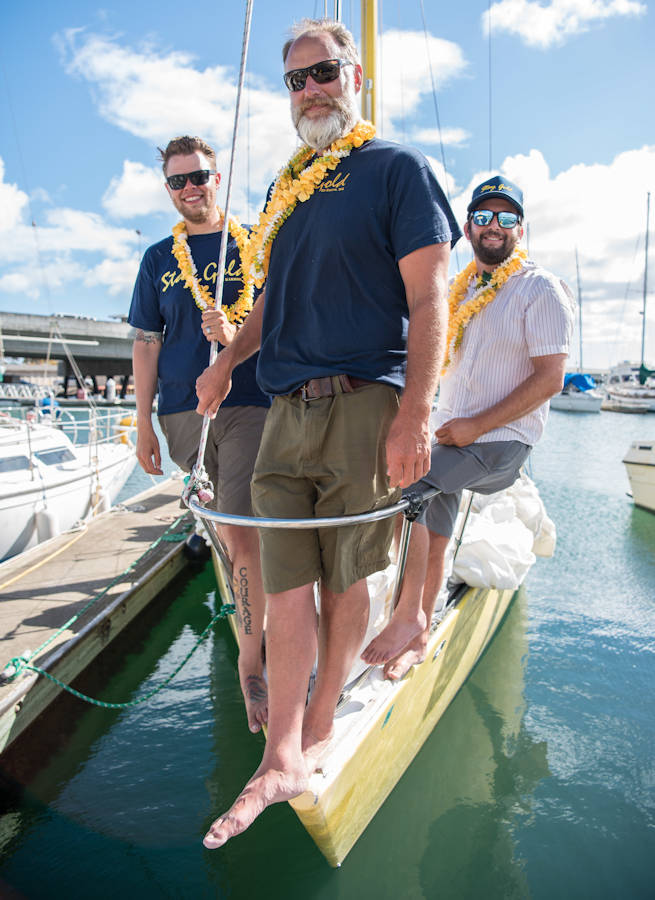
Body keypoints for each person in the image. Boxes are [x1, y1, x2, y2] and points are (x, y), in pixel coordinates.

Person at [197, 18, 460, 850]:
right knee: (282, 578)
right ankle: (279, 753)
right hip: (283, 410)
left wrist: (415, 412)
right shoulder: (288, 189)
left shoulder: (396, 170)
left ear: (355, 78)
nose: (310, 90)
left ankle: (316, 724)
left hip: (363, 402)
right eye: (295, 80)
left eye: (324, 73)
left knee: (346, 575)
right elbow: (271, 300)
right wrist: (225, 363)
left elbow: (430, 299)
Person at [366, 175, 574, 681]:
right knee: (434, 526)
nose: (494, 226)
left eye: (506, 218)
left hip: (501, 443)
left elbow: (551, 379)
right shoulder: (459, 293)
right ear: (468, 227)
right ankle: (418, 632)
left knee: (411, 481)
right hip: (454, 437)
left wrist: (474, 426)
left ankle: (407, 614)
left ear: (520, 230)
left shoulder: (539, 289)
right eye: (484, 217)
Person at [128, 135, 271, 734]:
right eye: (178, 181)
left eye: (200, 176)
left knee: (239, 528)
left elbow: (282, 315)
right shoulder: (159, 257)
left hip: (249, 402)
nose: (191, 189)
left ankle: (251, 661)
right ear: (168, 188)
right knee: (221, 522)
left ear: (219, 177)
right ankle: (249, 599)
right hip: (184, 415)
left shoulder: (255, 245)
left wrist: (232, 330)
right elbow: (146, 341)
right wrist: (142, 421)